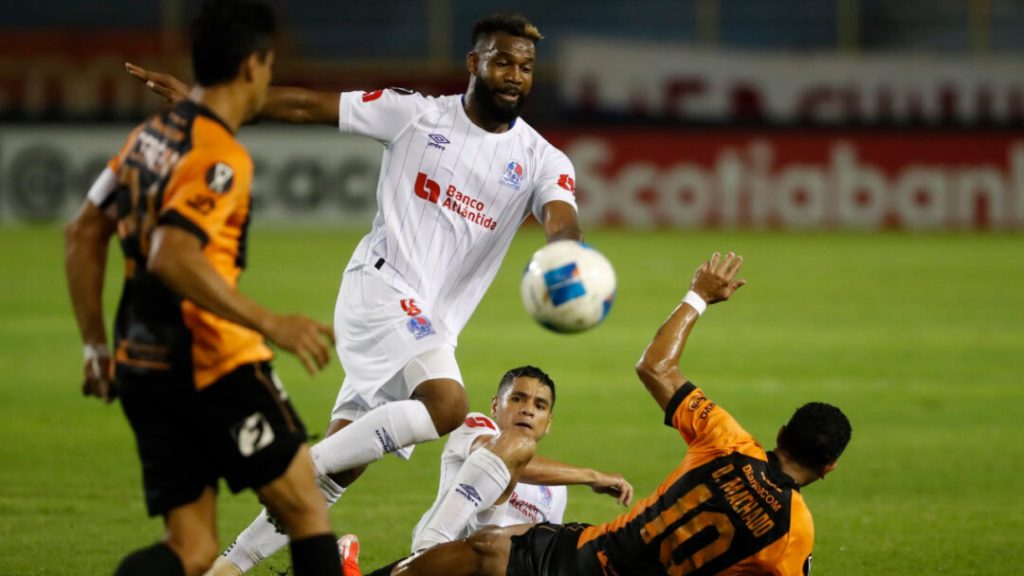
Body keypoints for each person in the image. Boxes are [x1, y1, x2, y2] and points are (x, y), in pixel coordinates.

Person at [127, 12, 585, 574]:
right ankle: (283, 463)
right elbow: (306, 106)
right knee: (447, 405)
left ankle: (228, 567)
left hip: (431, 325)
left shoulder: (541, 158)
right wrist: (215, 106)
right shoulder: (415, 113)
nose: (515, 74)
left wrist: (568, 255)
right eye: (503, 61)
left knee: (340, 471)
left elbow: (561, 218)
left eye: (526, 66)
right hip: (380, 285)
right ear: (475, 63)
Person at [64, 2, 341, 575]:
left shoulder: (149, 136)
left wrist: (96, 345)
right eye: (269, 64)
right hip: (211, 364)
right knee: (305, 507)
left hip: (140, 361)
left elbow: (84, 230)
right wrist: (273, 323)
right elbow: (173, 253)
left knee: (189, 549)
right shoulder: (221, 157)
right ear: (251, 66)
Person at [367, 252, 852, 576]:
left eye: (538, 404)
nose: (528, 411)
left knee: (488, 549)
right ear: (830, 469)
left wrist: (698, 296)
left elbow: (655, 366)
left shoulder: (727, 442)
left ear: (783, 432)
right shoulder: (795, 530)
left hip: (592, 559)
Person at [317, 366, 634, 576]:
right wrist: (592, 475)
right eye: (518, 398)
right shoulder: (475, 427)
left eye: (540, 406)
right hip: (442, 558)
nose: (527, 409)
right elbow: (501, 457)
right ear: (496, 405)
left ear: (548, 422)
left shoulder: (556, 489)